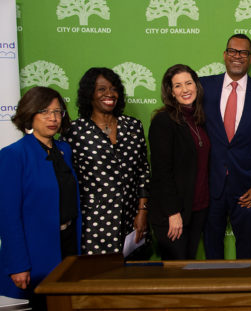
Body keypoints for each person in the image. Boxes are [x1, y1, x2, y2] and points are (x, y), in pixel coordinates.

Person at [199, 34, 251, 259]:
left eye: (243, 53)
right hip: (210, 185)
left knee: (246, 250)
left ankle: (247, 294)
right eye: (233, 51)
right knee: (212, 248)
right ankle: (216, 294)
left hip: (247, 188)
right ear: (225, 55)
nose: (237, 56)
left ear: (250, 58)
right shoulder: (203, 87)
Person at [0, 87, 80, 309]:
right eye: (44, 111)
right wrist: (17, 264)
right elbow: (8, 216)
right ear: (29, 113)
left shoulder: (64, 150)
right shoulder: (13, 155)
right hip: (35, 253)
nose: (53, 118)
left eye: (57, 112)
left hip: (69, 245)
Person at [64, 67, 150, 256]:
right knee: (97, 279)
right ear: (90, 94)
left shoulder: (133, 126)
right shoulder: (74, 131)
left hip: (131, 220)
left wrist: (142, 211)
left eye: (113, 88)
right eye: (101, 89)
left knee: (132, 278)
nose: (109, 94)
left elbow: (143, 171)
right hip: (93, 224)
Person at [148, 64, 210, 260]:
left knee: (188, 266)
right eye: (178, 86)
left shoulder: (199, 119)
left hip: (197, 208)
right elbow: (161, 172)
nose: (185, 90)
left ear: (196, 86)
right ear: (171, 92)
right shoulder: (163, 121)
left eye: (188, 83)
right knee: (176, 271)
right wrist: (172, 213)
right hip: (173, 213)